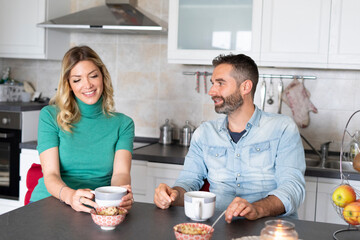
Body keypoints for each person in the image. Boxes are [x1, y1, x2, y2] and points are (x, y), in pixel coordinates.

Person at [154, 53, 305, 222]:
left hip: (270, 228)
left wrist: (256, 208)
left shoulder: (283, 128)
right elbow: (188, 181)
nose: (211, 91)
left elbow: (292, 188)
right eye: (213, 84)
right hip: (218, 226)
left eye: (220, 83)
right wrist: (172, 194)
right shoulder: (204, 133)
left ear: (245, 87)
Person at [30, 46, 135, 213]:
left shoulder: (123, 124)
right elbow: (51, 175)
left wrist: (119, 195)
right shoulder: (50, 116)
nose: (87, 85)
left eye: (93, 76)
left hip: (97, 207)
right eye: (77, 79)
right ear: (69, 84)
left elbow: (120, 173)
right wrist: (71, 196)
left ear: (103, 77)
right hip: (50, 203)